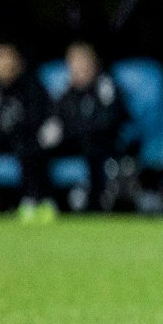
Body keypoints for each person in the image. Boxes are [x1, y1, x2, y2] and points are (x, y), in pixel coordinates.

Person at [0, 42, 55, 221]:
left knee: (30, 148)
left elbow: (36, 119)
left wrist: (1, 131)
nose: (3, 64)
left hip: (24, 137)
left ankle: (32, 199)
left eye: (7, 59)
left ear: (17, 62)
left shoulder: (30, 84)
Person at [51, 42, 129, 212]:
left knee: (93, 146)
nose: (78, 67)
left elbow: (108, 122)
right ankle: (41, 200)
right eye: (74, 62)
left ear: (94, 63)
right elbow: (57, 119)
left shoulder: (105, 86)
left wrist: (72, 130)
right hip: (75, 141)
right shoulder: (67, 92)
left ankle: (95, 204)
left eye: (83, 61)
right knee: (39, 145)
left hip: (102, 143)